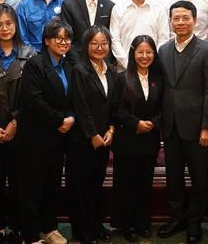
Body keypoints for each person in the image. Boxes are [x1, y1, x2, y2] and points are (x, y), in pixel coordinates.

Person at [157, 0, 208, 244]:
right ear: (170, 21)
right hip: (170, 125)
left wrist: (207, 126)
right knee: (173, 176)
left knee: (198, 177)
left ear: (195, 21)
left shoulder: (206, 50)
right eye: (176, 18)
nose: (180, 22)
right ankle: (177, 217)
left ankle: (195, 222)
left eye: (185, 18)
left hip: (197, 127)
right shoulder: (163, 50)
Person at [0, 4, 35, 243]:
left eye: (8, 24)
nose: (4, 28)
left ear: (16, 25)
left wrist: (16, 122)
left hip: (20, 129)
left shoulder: (29, 54)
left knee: (20, 180)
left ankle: (19, 226)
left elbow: (33, 96)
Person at [16, 20, 74, 244]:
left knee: (52, 184)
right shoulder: (35, 64)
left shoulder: (68, 66)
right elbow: (33, 100)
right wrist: (60, 119)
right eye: (58, 38)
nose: (63, 42)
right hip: (35, 137)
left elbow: (74, 98)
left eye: (67, 38)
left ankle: (49, 228)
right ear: (47, 41)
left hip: (58, 138)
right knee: (32, 187)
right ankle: (30, 235)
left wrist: (71, 118)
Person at [110, 35, 164, 242]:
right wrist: (136, 123)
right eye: (140, 52)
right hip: (126, 141)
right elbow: (116, 108)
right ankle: (126, 225)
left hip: (149, 141)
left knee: (144, 184)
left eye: (149, 52)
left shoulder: (158, 78)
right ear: (133, 53)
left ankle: (142, 223)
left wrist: (152, 123)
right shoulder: (121, 77)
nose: (144, 56)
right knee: (125, 184)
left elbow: (163, 107)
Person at [67, 26, 116, 244]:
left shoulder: (112, 70)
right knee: (80, 185)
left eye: (104, 43)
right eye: (94, 44)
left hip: (105, 138)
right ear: (86, 46)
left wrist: (111, 129)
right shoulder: (79, 70)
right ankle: (81, 229)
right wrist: (93, 134)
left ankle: (96, 224)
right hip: (82, 140)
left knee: (97, 183)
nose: (99, 48)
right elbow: (81, 105)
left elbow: (115, 104)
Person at [109, 0, 169, 70]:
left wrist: (152, 61)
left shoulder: (158, 9)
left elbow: (163, 39)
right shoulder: (118, 9)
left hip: (152, 68)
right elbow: (115, 40)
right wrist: (128, 65)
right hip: (125, 70)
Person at [61, 0, 115, 64]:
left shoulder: (110, 6)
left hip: (103, 64)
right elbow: (68, 39)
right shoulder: (69, 4)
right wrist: (78, 65)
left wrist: (105, 64)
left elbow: (111, 40)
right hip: (76, 65)